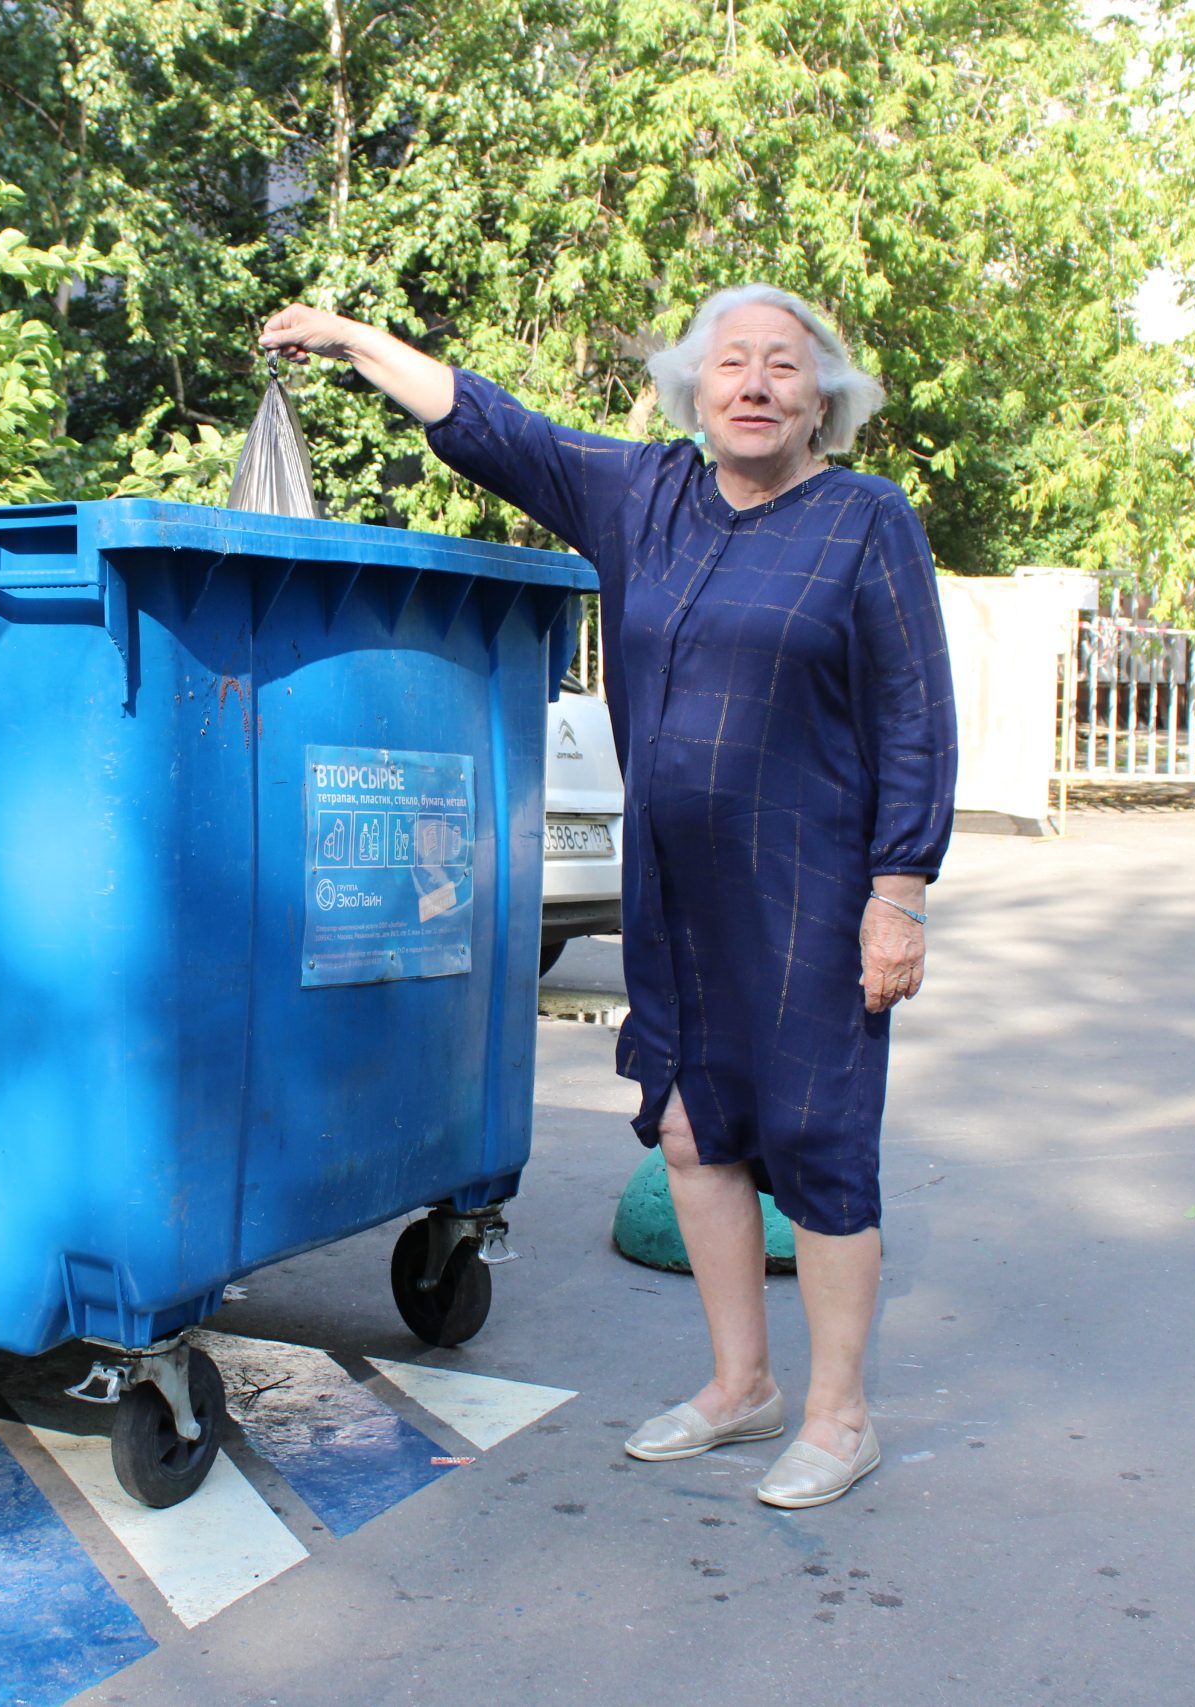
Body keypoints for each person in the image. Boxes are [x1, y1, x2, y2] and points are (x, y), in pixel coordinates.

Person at [260, 288, 957, 1508]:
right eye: (729, 363)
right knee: (689, 1128)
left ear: (822, 399)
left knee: (818, 1145)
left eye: (783, 368)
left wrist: (897, 892)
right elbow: (493, 426)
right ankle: (742, 1385)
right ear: (693, 389)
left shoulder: (863, 520)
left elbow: (913, 715)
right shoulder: (644, 496)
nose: (754, 384)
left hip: (810, 888)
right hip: (675, 891)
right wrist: (353, 341)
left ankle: (842, 1416)